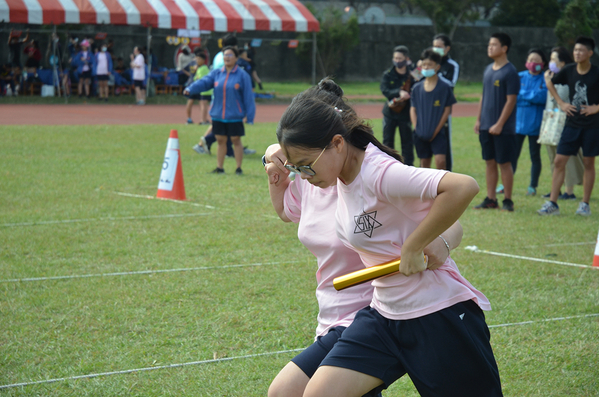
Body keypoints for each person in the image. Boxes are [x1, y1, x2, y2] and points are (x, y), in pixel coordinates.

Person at [275, 78, 501, 397]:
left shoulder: (378, 172)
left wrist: (415, 245)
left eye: (306, 168)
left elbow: (463, 186)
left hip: (435, 313)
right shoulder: (340, 174)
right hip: (383, 315)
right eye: (298, 170)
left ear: (338, 144)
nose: (305, 178)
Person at [263, 138, 464, 397]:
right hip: (331, 314)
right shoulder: (310, 177)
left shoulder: (372, 173)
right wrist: (272, 161)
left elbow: (450, 213)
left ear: (335, 142)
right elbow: (285, 210)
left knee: (287, 391)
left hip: (373, 313)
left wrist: (442, 242)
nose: (303, 172)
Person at [538, 36, 599, 216]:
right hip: (572, 124)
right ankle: (553, 203)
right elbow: (550, 82)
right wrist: (561, 103)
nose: (577, 53)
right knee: (559, 161)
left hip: (592, 126)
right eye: (575, 50)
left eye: (581, 50)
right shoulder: (569, 70)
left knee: (589, 163)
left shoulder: (596, 73)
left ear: (590, 53)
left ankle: (584, 204)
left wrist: (597, 107)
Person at [184, 46, 255, 175]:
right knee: (221, 141)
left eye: (230, 55)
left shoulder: (242, 75)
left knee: (235, 140)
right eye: (225, 55)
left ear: (236, 58)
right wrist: (190, 89)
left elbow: (248, 97)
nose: (227, 57)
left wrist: (249, 116)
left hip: (234, 115)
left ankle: (238, 168)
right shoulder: (216, 73)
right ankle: (219, 168)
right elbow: (204, 82)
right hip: (218, 115)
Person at [473, 33, 520, 212]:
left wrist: (500, 124)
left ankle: (507, 200)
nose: (489, 47)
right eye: (489, 44)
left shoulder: (510, 72)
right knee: (489, 162)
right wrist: (479, 119)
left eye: (494, 44)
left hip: (503, 129)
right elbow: (483, 96)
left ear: (504, 48)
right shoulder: (487, 70)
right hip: (486, 126)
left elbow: (511, 100)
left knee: (504, 163)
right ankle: (491, 198)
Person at [540, 47, 583, 201]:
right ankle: (555, 190)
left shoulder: (567, 78)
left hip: (563, 122)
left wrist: (549, 82)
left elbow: (560, 98)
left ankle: (569, 190)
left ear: (563, 62)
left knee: (565, 157)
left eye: (554, 60)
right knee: (552, 157)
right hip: (550, 121)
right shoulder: (552, 76)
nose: (550, 63)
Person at [410, 49, 457, 170]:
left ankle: (442, 188)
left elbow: (447, 110)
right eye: (424, 64)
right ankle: (426, 189)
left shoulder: (444, 87)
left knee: (441, 162)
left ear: (437, 67)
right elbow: (412, 109)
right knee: (424, 163)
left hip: (438, 132)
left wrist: (436, 130)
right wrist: (417, 128)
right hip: (420, 132)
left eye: (429, 65)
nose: (426, 67)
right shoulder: (416, 88)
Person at [513, 48, 547, 196]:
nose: (533, 63)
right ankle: (505, 184)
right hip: (517, 124)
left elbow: (542, 97)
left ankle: (533, 186)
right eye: (530, 60)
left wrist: (523, 95)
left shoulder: (545, 79)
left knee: (535, 156)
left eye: (536, 60)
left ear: (543, 63)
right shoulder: (518, 77)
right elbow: (513, 96)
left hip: (536, 125)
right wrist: (531, 97)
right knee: (512, 155)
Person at [380, 45, 415, 166]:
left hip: (406, 114)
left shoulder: (413, 73)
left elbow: (421, 82)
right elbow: (384, 90)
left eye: (400, 58)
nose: (397, 61)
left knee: (407, 142)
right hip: (390, 113)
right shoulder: (388, 74)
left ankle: (408, 167)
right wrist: (398, 92)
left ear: (406, 59)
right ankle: (388, 166)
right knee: (387, 141)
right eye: (395, 58)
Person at [432, 33, 460, 172]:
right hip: (426, 108)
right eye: (434, 46)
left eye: (439, 46)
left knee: (444, 141)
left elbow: (451, 84)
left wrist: (435, 75)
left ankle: (447, 172)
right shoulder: (428, 62)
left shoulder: (452, 65)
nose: (436, 49)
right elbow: (416, 78)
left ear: (447, 48)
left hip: (443, 109)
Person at [186, 49, 212, 125]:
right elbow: (193, 74)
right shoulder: (195, 64)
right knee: (195, 102)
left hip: (200, 87)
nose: (196, 60)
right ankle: (191, 119)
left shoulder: (202, 67)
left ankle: (202, 119)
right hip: (194, 85)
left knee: (202, 103)